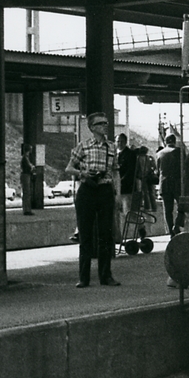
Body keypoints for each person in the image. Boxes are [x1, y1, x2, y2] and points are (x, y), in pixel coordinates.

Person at [64, 112, 119, 287]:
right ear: (92, 128)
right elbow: (69, 168)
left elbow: (115, 171)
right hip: (87, 190)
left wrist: (116, 194)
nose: (105, 126)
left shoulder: (112, 147)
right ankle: (83, 277)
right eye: (101, 123)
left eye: (106, 123)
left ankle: (106, 276)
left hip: (105, 190)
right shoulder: (84, 146)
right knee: (85, 235)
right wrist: (83, 173)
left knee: (105, 234)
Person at [156, 133, 183, 237]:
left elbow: (158, 170)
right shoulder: (179, 151)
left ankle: (171, 233)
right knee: (182, 207)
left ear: (165, 142)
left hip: (164, 184)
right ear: (174, 141)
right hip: (176, 183)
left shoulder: (159, 153)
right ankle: (177, 225)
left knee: (167, 210)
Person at [115, 133, 137, 242]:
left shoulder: (130, 155)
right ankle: (118, 237)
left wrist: (120, 182)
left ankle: (140, 228)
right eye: (117, 141)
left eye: (121, 141)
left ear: (125, 142)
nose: (119, 144)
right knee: (115, 214)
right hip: (115, 190)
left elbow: (130, 172)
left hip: (126, 189)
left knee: (127, 212)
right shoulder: (115, 154)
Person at [20, 143, 36, 215]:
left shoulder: (25, 158)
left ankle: (26, 209)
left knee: (26, 193)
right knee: (27, 192)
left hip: (25, 175)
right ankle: (27, 210)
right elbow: (29, 167)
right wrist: (32, 168)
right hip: (26, 175)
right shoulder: (25, 158)